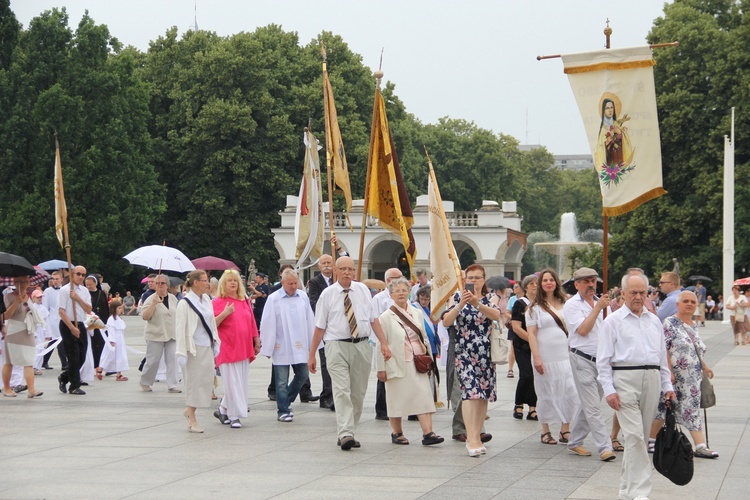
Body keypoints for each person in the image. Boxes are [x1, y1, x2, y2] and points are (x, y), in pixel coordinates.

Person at [598, 274, 675, 500]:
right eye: (633, 292)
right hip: (624, 380)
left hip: (651, 379)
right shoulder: (612, 321)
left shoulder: (653, 321)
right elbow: (602, 361)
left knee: (638, 438)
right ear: (623, 294)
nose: (638, 297)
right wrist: (609, 390)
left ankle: (625, 489)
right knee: (633, 437)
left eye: (642, 292)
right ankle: (641, 492)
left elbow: (662, 358)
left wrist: (667, 385)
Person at [308, 256, 391, 451]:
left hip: (361, 345)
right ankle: (345, 433)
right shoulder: (327, 295)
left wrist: (384, 343)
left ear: (354, 272)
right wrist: (311, 354)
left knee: (358, 392)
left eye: (350, 269)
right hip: (336, 346)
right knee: (341, 390)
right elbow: (319, 327)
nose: (347, 272)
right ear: (336, 271)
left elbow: (373, 320)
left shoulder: (362, 290)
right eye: (342, 269)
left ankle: (349, 430)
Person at [647, 290, 718, 458]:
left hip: (692, 379)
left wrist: (705, 367)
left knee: (691, 410)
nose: (690, 304)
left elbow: (695, 351)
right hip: (673, 376)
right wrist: (668, 372)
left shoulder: (693, 326)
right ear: (677, 305)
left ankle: (700, 446)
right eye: (685, 301)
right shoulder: (670, 323)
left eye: (693, 302)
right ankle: (651, 440)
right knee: (664, 407)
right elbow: (663, 347)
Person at [442, 264, 501, 456]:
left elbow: (496, 315)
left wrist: (477, 303)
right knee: (470, 393)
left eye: (477, 277)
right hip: (464, 352)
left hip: (485, 353)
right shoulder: (458, 297)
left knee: (483, 395)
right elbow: (446, 321)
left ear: (484, 280)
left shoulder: (490, 298)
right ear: (465, 279)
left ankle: (476, 434)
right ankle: (470, 437)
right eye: (471, 278)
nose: (474, 281)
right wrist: (461, 305)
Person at [377, 277, 443, 446]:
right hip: (396, 361)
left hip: (418, 360)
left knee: (423, 396)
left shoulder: (417, 312)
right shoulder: (385, 316)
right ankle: (396, 432)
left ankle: (428, 433)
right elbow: (380, 343)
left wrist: (430, 356)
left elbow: (424, 336)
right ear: (391, 294)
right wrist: (380, 368)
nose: (401, 293)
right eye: (396, 291)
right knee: (395, 399)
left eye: (404, 290)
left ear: (409, 292)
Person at [562, 267, 616, 461]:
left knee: (589, 405)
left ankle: (575, 441)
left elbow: (610, 331)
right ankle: (605, 447)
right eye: (586, 281)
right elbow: (583, 330)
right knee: (593, 406)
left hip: (602, 362)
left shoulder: (603, 304)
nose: (591, 285)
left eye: (593, 281)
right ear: (577, 284)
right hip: (582, 358)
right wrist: (597, 308)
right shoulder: (571, 305)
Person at [526, 268, 579, 446]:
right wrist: (537, 357)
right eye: (545, 280)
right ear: (540, 284)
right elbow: (532, 334)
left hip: (564, 355)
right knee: (545, 392)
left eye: (551, 280)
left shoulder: (567, 304)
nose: (548, 283)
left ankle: (565, 428)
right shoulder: (534, 308)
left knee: (569, 390)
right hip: (545, 356)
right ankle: (545, 430)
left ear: (556, 282)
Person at [260, 269, 315, 422]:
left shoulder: (302, 296)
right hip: (281, 343)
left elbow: (310, 320)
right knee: (281, 380)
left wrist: (313, 343)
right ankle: (282, 410)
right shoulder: (274, 299)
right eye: (290, 283)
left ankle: (286, 400)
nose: (293, 286)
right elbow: (267, 323)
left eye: (295, 283)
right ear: (282, 283)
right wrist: (268, 346)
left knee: (303, 374)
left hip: (299, 342)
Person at [212, 269, 260, 428]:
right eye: (229, 280)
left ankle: (222, 408)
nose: (232, 283)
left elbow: (252, 321)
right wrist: (225, 313)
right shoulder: (217, 302)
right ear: (223, 284)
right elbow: (212, 325)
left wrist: (256, 339)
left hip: (243, 346)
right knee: (232, 382)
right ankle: (234, 415)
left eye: (235, 280)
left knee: (240, 381)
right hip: (227, 347)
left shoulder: (243, 300)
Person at [175, 270, 219, 433]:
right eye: (204, 280)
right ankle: (192, 418)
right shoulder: (184, 303)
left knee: (205, 382)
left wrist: (216, 341)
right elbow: (180, 329)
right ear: (195, 283)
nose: (208, 283)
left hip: (206, 345)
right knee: (193, 383)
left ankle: (190, 411)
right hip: (192, 348)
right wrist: (181, 352)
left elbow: (211, 321)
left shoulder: (207, 299)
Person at [370, 267, 404, 421]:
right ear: (389, 280)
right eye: (398, 277)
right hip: (386, 340)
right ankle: (382, 410)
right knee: (384, 375)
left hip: (402, 341)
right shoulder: (379, 298)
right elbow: (375, 320)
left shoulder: (404, 295)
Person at [2, 276, 43, 398]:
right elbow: (6, 315)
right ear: (15, 283)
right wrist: (17, 302)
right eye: (20, 282)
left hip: (27, 331)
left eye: (26, 282)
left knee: (29, 360)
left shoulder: (29, 296)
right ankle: (7, 387)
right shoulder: (8, 296)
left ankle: (31, 389)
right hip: (14, 332)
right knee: (10, 362)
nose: (23, 284)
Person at [140, 274, 180, 393]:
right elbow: (145, 316)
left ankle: (173, 384)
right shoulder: (150, 298)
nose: (160, 285)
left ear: (167, 286)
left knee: (172, 359)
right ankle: (145, 382)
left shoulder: (173, 298)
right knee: (153, 360)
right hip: (155, 334)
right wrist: (153, 304)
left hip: (172, 334)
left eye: (162, 283)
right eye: (158, 283)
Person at [58, 266, 93, 395]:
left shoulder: (84, 291)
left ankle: (64, 377)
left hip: (81, 323)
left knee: (82, 356)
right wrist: (72, 328)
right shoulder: (64, 290)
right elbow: (61, 311)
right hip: (68, 324)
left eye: (83, 275)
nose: (81, 277)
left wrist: (77, 298)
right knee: (73, 356)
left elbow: (88, 309)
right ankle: (74, 386)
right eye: (78, 274)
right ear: (72, 274)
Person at [306, 254, 335, 410]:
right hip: (324, 326)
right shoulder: (315, 282)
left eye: (329, 262)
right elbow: (313, 302)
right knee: (325, 363)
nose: (326, 265)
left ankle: (327, 395)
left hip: (337, 327)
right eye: (323, 263)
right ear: (319, 266)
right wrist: (330, 309)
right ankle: (328, 396)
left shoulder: (337, 280)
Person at [510, 274, 538, 421]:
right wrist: (532, 339)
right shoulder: (519, 304)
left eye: (536, 283)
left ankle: (533, 407)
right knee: (526, 374)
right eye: (532, 283)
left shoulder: (541, 303)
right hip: (522, 345)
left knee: (535, 376)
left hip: (538, 346)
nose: (535, 286)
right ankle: (518, 403)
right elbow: (516, 327)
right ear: (526, 286)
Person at [594, 96, 634, 170]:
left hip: (620, 156)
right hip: (610, 159)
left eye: (611, 107)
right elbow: (599, 148)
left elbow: (624, 141)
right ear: (603, 110)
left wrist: (620, 133)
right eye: (607, 108)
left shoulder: (616, 124)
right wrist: (608, 141)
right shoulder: (603, 128)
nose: (610, 110)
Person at [85, 275, 109, 381]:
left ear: (96, 284)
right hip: (88, 322)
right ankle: (91, 365)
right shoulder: (84, 293)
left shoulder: (101, 293)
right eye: (87, 284)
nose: (89, 286)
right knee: (90, 345)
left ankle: (99, 365)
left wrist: (105, 322)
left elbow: (105, 308)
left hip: (99, 322)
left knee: (100, 344)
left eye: (90, 284)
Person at [100, 299, 129, 381]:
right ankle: (100, 369)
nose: (120, 310)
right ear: (114, 309)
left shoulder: (119, 319)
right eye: (119, 308)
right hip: (114, 340)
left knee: (120, 356)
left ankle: (119, 374)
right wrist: (112, 340)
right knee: (109, 356)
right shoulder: (111, 319)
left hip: (120, 340)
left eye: (121, 308)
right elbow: (111, 331)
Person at [42, 271, 64, 369]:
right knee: (58, 340)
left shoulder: (65, 290)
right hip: (52, 319)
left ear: (61, 279)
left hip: (63, 318)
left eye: (57, 279)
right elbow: (45, 307)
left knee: (57, 341)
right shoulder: (47, 291)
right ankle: (64, 363)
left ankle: (44, 360)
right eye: (53, 279)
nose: (55, 281)